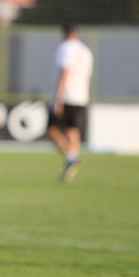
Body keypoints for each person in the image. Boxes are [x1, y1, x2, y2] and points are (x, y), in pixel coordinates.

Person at [46, 23, 93, 181]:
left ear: (65, 34)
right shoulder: (86, 51)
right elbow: (87, 76)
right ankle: (71, 163)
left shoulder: (65, 48)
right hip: (81, 96)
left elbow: (64, 72)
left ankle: (71, 158)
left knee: (51, 130)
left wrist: (58, 99)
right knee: (72, 130)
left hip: (66, 96)